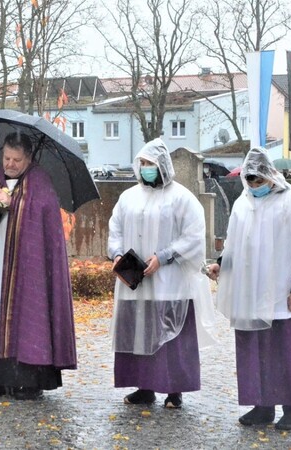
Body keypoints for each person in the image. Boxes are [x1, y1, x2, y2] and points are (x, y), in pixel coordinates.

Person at [205, 147, 291, 430]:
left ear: (270, 175)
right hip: (252, 293)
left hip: (285, 294)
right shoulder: (242, 204)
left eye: (259, 180)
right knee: (256, 352)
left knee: (290, 352)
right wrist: (222, 265)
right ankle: (262, 405)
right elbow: (235, 242)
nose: (254, 186)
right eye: (250, 181)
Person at [0, 131, 77, 401]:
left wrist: (16, 204)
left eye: (16, 160)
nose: (9, 164)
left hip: (28, 272)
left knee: (30, 320)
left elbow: (44, 224)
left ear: (29, 157)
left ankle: (29, 380)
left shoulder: (40, 182)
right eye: (6, 158)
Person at [108, 138, 216, 409]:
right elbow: (116, 229)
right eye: (142, 163)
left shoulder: (181, 198)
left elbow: (193, 236)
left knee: (172, 336)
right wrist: (118, 254)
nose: (145, 168)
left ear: (163, 166)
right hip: (136, 282)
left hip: (170, 282)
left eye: (151, 164)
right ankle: (144, 386)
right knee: (138, 333)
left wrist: (165, 256)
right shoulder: (128, 197)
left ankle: (174, 389)